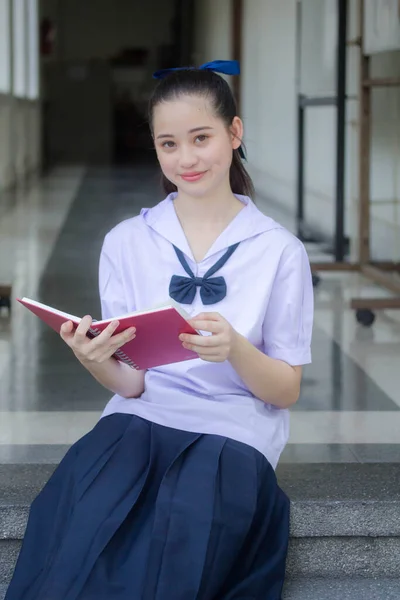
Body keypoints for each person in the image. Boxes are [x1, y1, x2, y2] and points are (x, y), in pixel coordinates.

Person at [5, 60, 314, 600]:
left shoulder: (278, 249)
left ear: (234, 133)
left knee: (188, 529)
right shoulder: (127, 240)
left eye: (202, 138)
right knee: (82, 512)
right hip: (139, 418)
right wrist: (93, 356)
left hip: (233, 431)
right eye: (168, 144)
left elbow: (285, 389)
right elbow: (132, 384)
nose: (187, 158)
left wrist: (236, 349)